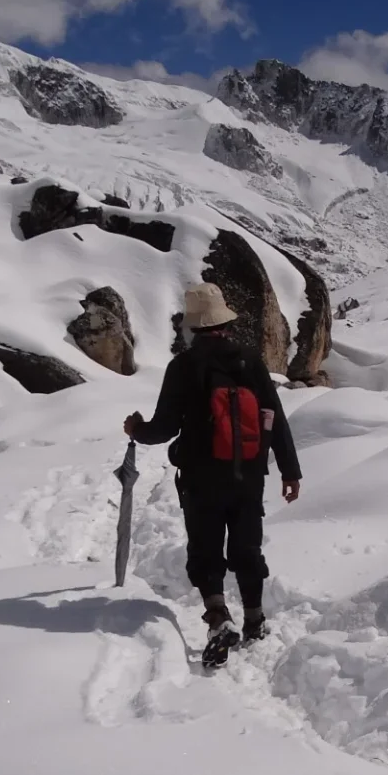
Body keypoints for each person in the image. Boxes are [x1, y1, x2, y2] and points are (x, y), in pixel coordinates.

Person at [124, 283, 301, 669]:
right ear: (224, 320)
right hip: (249, 473)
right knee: (246, 547)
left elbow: (165, 428)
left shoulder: (184, 367)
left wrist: (136, 430)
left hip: (201, 477)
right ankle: (255, 619)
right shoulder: (250, 361)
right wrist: (290, 471)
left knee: (205, 549)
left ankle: (218, 617)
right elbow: (275, 416)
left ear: (194, 326)